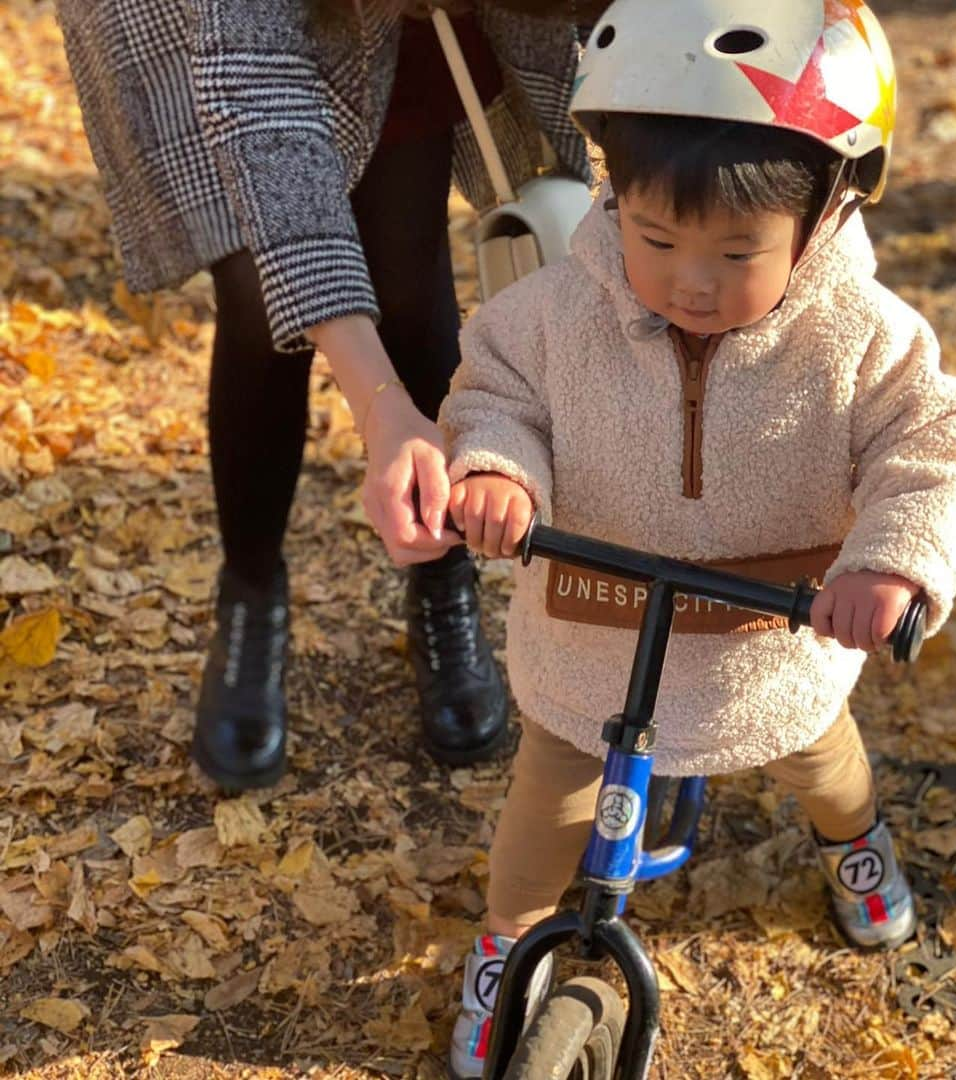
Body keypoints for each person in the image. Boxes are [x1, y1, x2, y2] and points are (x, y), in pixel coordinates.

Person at [436, 0, 956, 1072]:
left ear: (824, 214)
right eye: (655, 239)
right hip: (593, 641)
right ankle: (507, 945)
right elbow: (496, 390)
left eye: (739, 251)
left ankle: (856, 844)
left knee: (819, 762)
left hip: (769, 644)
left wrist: (889, 557)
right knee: (546, 806)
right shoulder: (558, 311)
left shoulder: (859, 336)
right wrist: (498, 467)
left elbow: (933, 443)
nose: (692, 281)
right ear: (614, 196)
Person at [56, 0, 606, 788]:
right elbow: (259, 94)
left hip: (406, 25)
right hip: (202, 25)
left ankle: (440, 579)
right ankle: (250, 591)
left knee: (408, 275)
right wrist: (379, 402)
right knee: (257, 297)